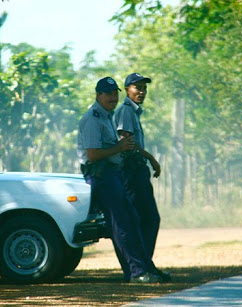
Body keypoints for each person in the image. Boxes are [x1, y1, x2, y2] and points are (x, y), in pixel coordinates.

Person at [77, 76, 164, 283]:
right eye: (108, 94)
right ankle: (137, 272)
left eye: (114, 94)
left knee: (131, 220)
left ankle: (141, 268)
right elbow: (92, 155)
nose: (113, 98)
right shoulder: (93, 118)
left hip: (112, 172)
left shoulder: (106, 115)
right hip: (101, 174)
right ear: (98, 95)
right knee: (122, 223)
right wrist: (120, 148)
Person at [115, 72, 171, 281]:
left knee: (147, 219)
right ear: (127, 90)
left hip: (137, 169)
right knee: (143, 219)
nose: (142, 92)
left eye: (144, 88)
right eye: (137, 88)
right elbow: (127, 142)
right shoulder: (126, 111)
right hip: (130, 170)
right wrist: (152, 159)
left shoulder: (134, 113)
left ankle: (146, 265)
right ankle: (140, 267)